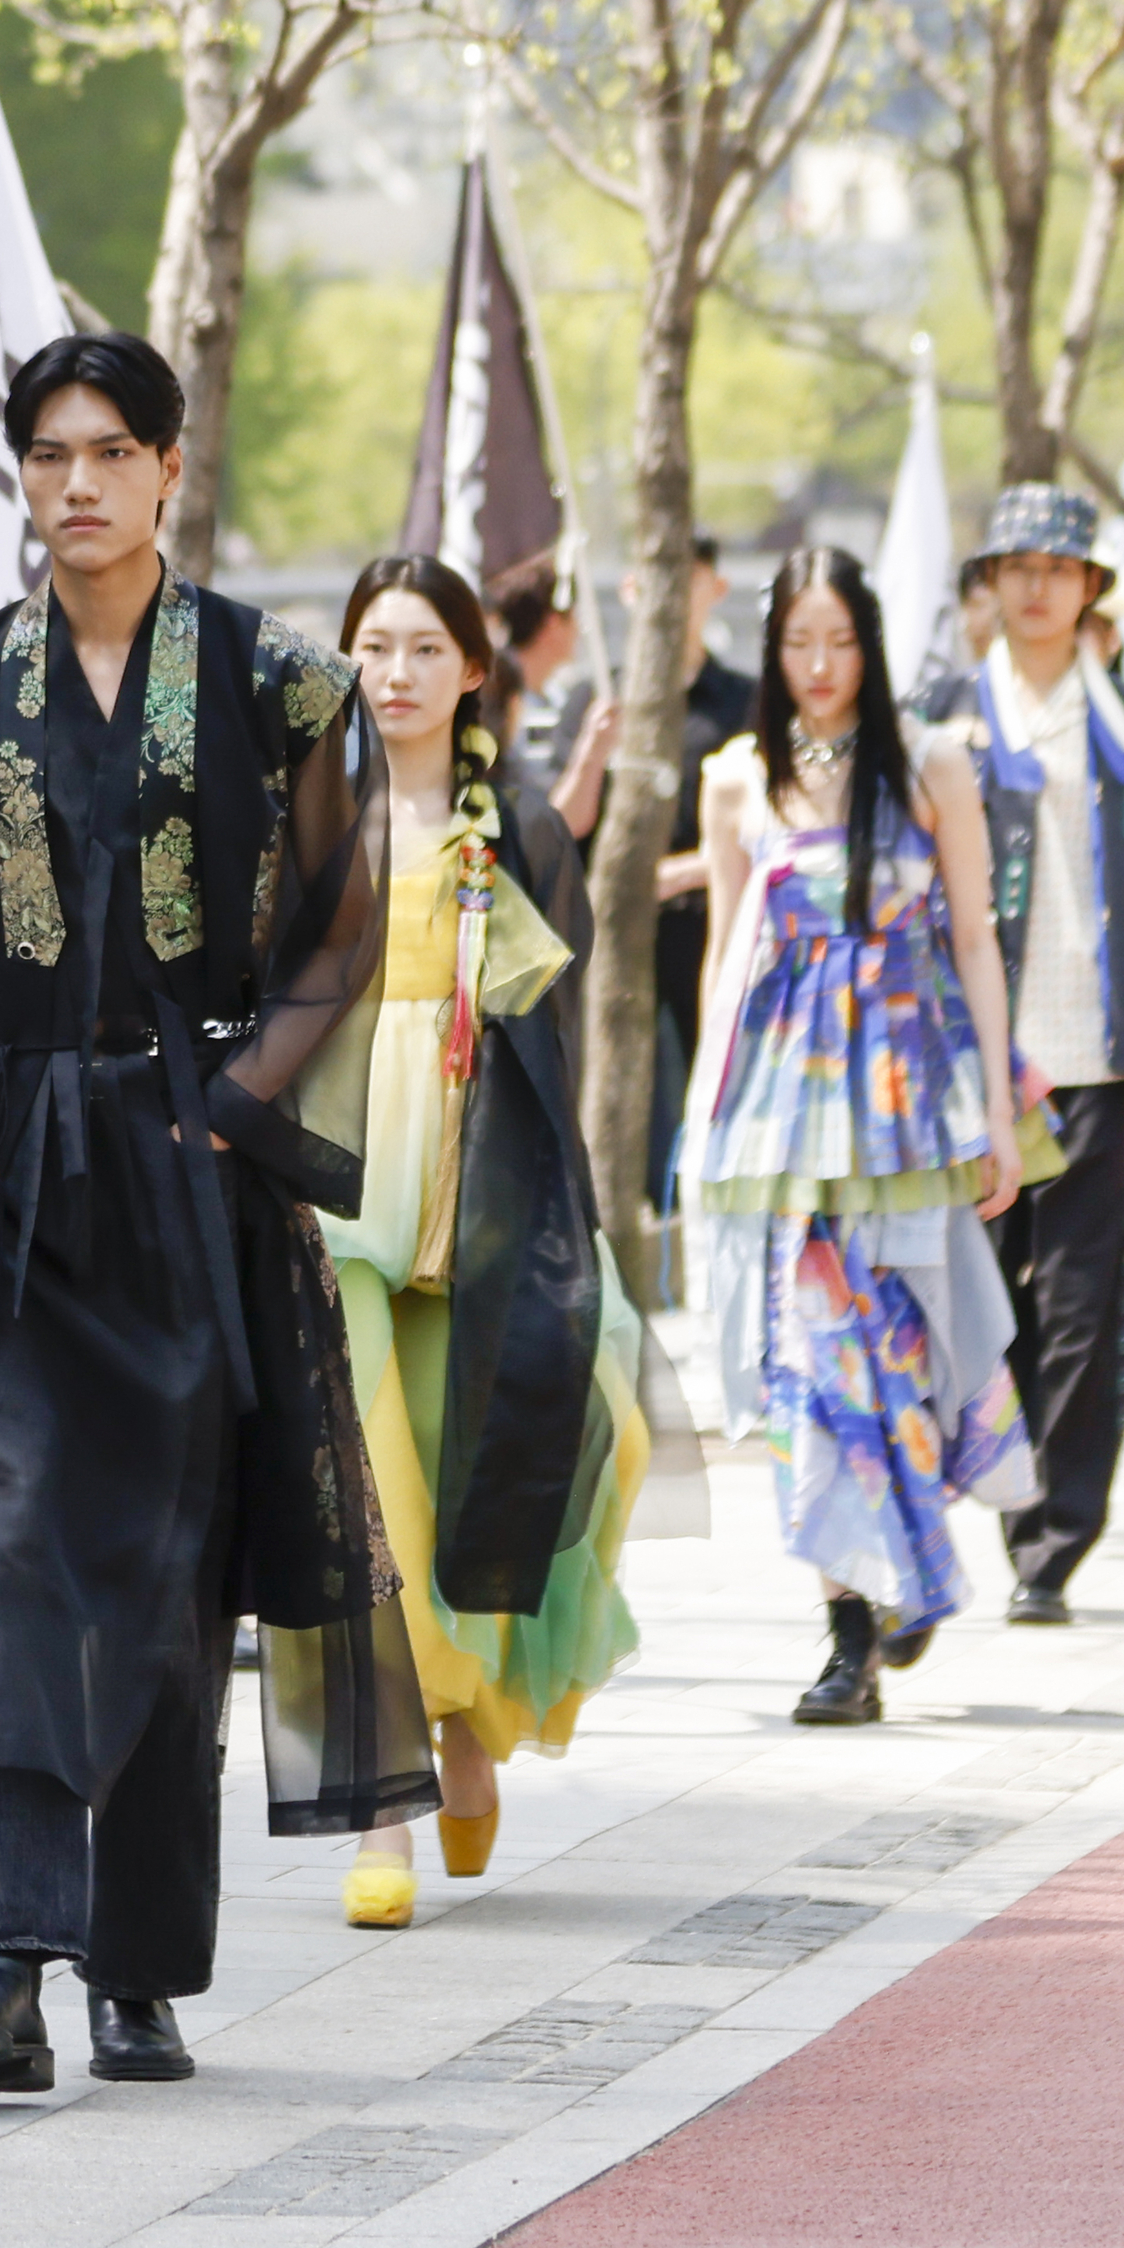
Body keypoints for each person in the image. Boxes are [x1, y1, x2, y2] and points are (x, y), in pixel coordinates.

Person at [0, 331, 414, 2097]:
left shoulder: (283, 686)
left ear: (174, 467)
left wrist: (232, 1111)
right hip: (6, 1171)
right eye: (48, 454)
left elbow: (345, 922)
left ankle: (136, 1972)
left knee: (167, 1587)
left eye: (113, 450)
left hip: (187, 1170)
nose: (79, 484)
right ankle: (2, 1966)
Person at [323, 555, 675, 1928]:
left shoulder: (520, 826)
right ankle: (384, 1804)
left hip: (477, 1199)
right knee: (363, 1497)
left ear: (477, 667)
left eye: (423, 647)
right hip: (338, 1200)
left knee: (505, 1462)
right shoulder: (304, 821)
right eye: (372, 646)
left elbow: (553, 1042)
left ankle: (471, 1722)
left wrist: (551, 1224)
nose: (395, 672)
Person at [689, 547, 1034, 1726]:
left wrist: (994, 1107)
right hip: (784, 1112)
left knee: (903, 1343)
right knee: (812, 1359)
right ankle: (849, 1628)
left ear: (872, 644)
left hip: (907, 1104)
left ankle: (915, 1570)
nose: (819, 667)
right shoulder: (738, 777)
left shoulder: (934, 765)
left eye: (839, 642)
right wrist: (703, 1107)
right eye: (797, 643)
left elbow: (977, 941)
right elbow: (726, 954)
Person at [928, 484, 1124, 1621]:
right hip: (979, 1060)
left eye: (1058, 567)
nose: (1036, 586)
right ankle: (999, 1493)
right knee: (988, 1296)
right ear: (989, 583)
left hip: (1098, 1053)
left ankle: (1052, 1544)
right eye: (1016, 566)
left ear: (1090, 587)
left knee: (1090, 1302)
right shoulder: (945, 719)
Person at [650, 535, 753, 1206]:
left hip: (715, 917)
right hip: (622, 934)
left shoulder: (745, 700)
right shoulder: (600, 702)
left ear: (715, 588)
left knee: (714, 1064)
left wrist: (687, 871)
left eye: (691, 580)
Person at [496, 563, 618, 840]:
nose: (579, 630)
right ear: (553, 624)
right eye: (573, 618)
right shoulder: (495, 705)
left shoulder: (561, 700)